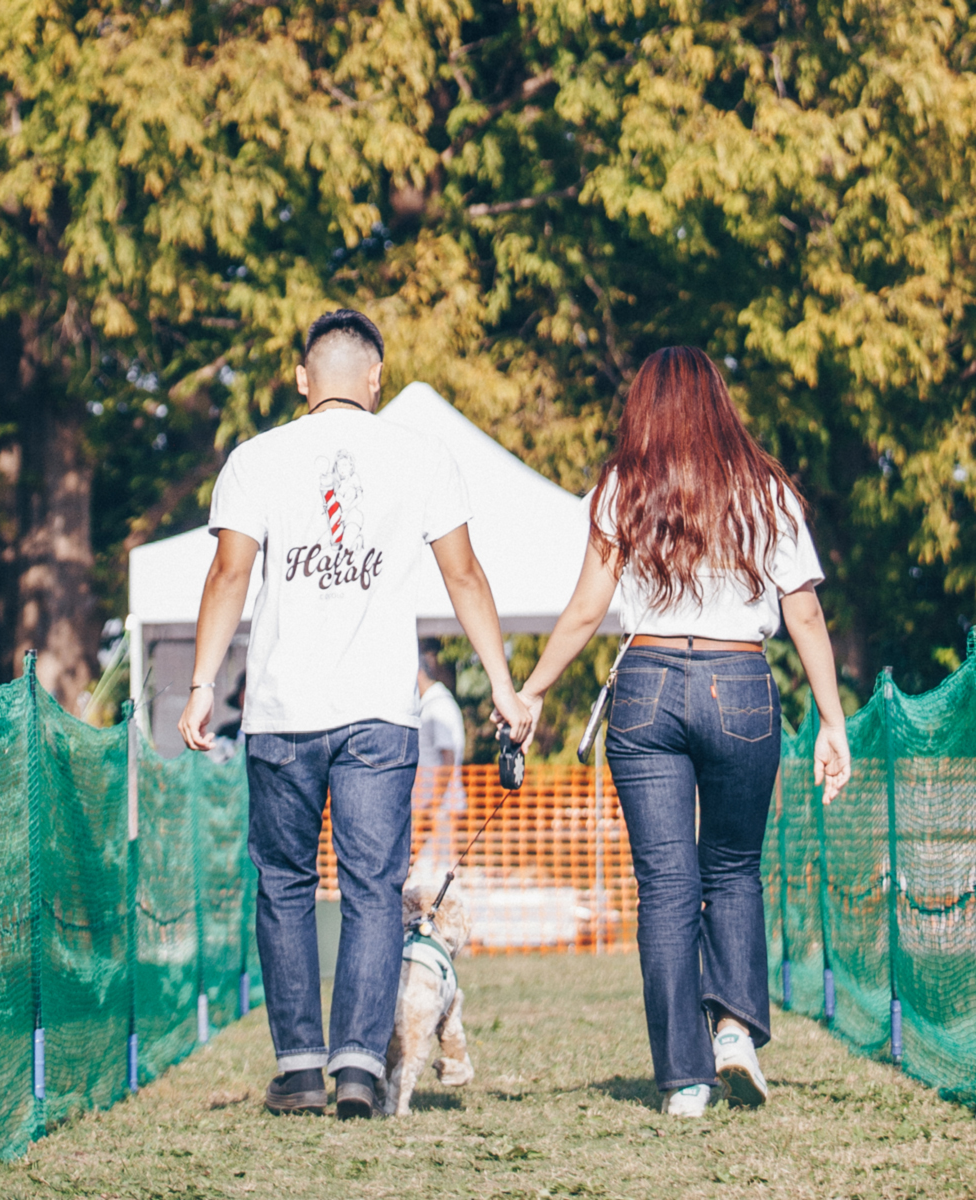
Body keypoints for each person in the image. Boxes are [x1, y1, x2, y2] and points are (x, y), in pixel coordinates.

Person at [179, 309, 531, 1120]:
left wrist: (202, 684)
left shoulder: (254, 459)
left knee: (284, 884)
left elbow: (228, 575)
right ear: (376, 381)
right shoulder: (420, 455)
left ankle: (299, 1067)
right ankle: (358, 1071)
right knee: (375, 889)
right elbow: (466, 576)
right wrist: (504, 688)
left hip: (280, 708)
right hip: (380, 710)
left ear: (303, 380)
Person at [507, 346, 850, 1118]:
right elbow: (803, 613)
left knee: (665, 885)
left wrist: (530, 691)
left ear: (644, 410)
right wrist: (831, 720)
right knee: (732, 868)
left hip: (648, 684)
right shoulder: (768, 492)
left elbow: (588, 610)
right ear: (719, 403)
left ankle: (684, 1081)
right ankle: (733, 1029)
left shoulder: (622, 489)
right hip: (740, 683)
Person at [413, 643, 467, 869]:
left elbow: (448, 757)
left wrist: (433, 805)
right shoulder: (430, 705)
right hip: (431, 808)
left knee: (434, 874)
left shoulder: (439, 705)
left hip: (438, 809)